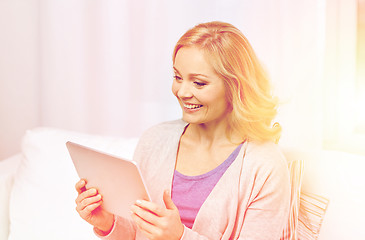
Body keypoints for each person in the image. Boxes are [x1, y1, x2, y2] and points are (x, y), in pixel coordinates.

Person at [75, 21, 290, 240]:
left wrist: (179, 236)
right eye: (178, 77)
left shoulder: (265, 166)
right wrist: (108, 223)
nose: (182, 92)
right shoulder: (154, 140)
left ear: (234, 87)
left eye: (198, 83)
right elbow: (135, 233)